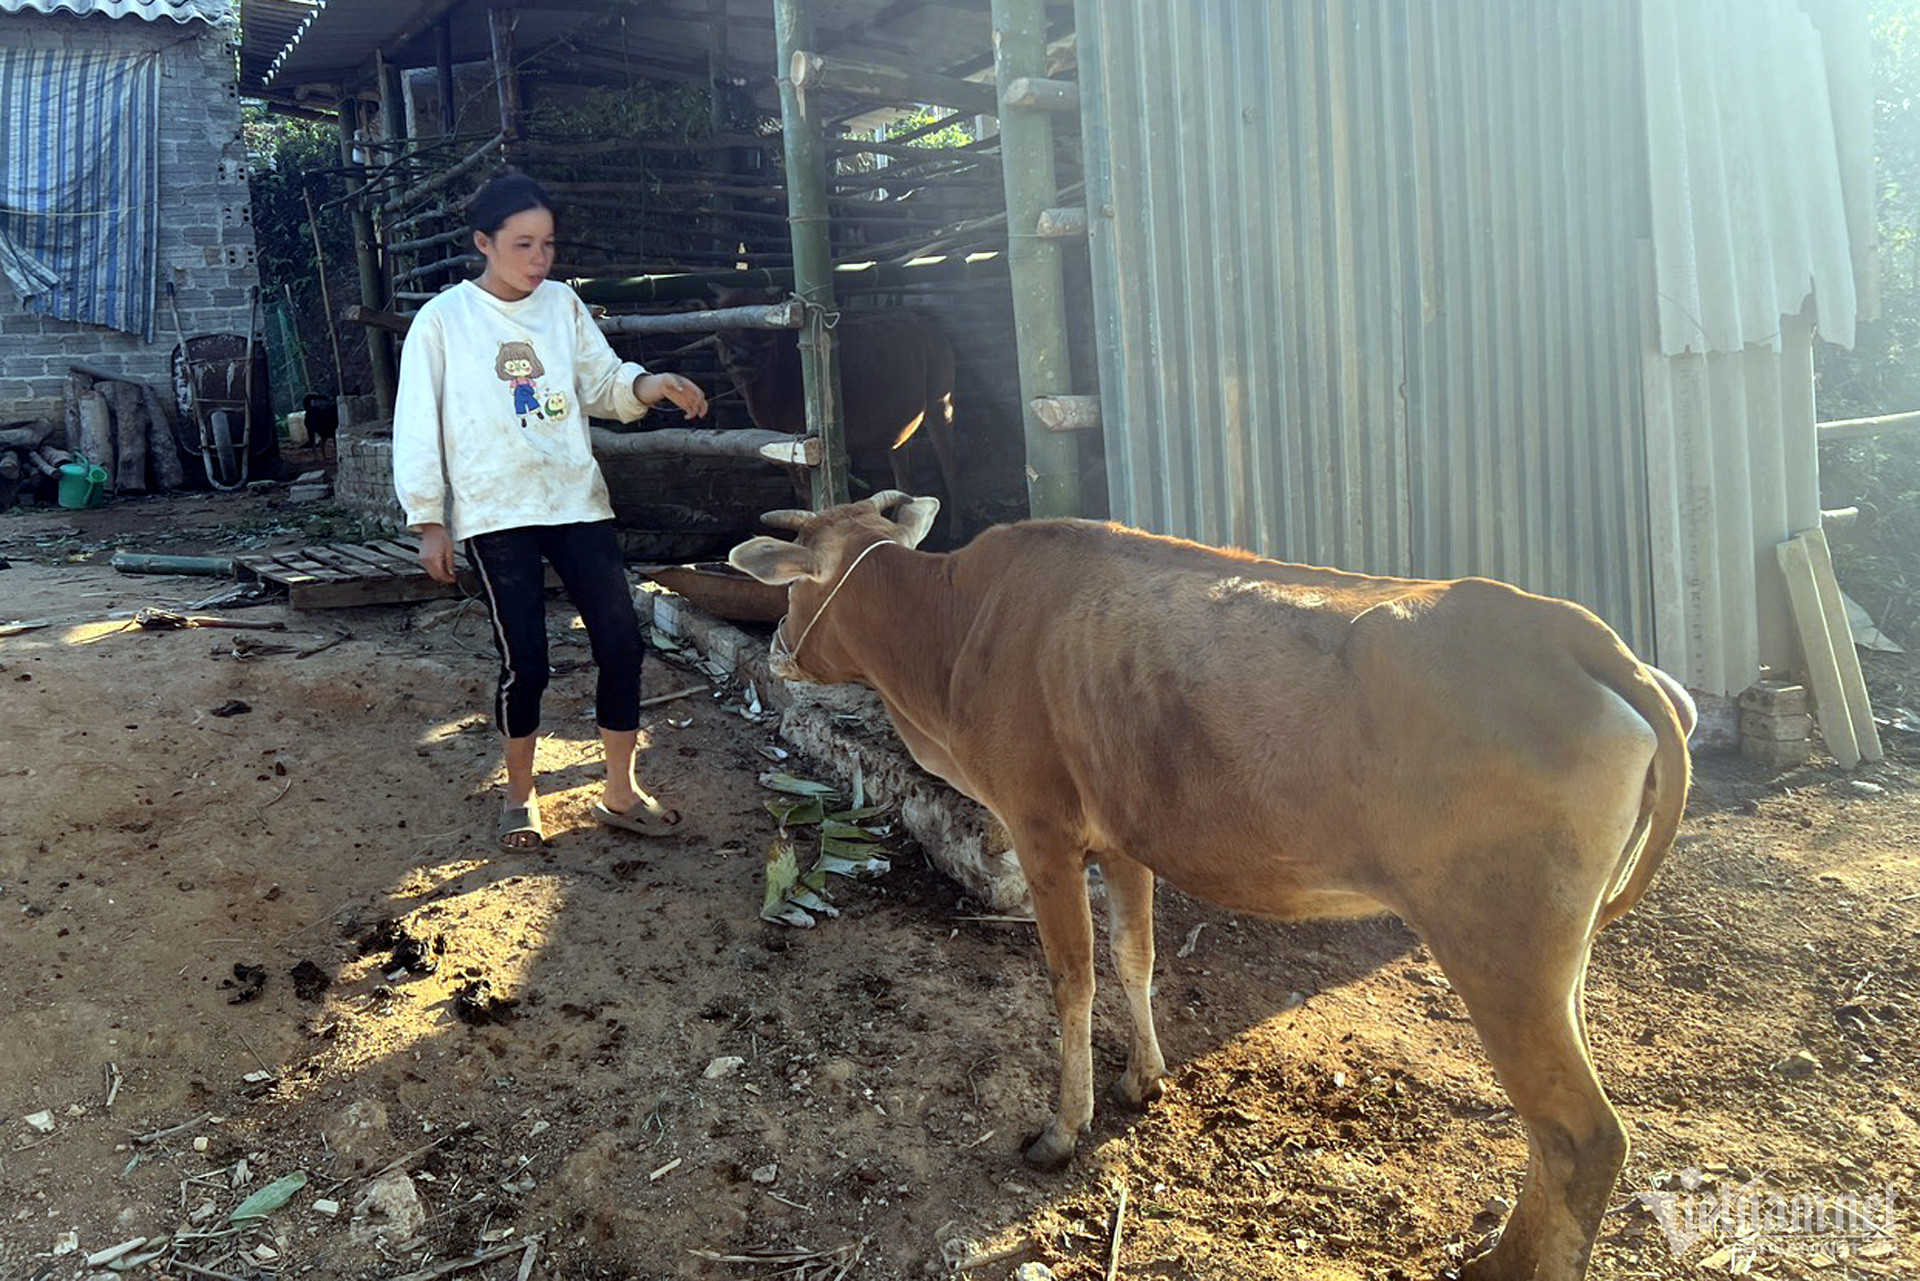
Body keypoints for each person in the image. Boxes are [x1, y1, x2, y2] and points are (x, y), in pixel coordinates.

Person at [392, 172, 709, 850]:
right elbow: (416, 423)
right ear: (484, 243)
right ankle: (519, 797)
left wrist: (650, 385)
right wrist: (429, 519)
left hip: (574, 498)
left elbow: (599, 382)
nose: (540, 259)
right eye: (523, 245)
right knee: (527, 661)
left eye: (548, 245)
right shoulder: (443, 321)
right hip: (493, 509)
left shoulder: (563, 305)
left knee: (622, 642)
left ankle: (620, 792)